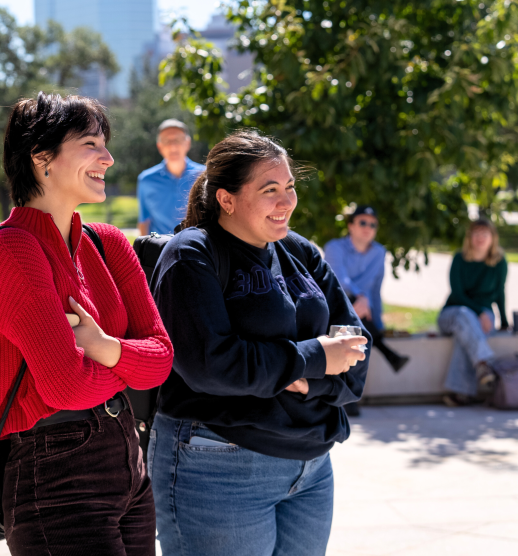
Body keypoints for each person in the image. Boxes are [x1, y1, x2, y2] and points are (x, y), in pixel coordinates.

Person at [149, 130, 371, 556]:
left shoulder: (299, 251)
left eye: (289, 187)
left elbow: (356, 348)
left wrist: (310, 378)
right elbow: (212, 364)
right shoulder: (192, 254)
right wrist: (313, 357)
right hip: (219, 466)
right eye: (270, 190)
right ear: (227, 199)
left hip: (311, 468)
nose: (286, 201)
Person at [0, 92, 174, 555]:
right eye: (90, 143)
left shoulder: (108, 243)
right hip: (56, 476)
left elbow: (163, 359)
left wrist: (103, 347)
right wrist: (128, 363)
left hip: (129, 462)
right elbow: (66, 386)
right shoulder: (13, 251)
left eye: (104, 143)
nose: (108, 157)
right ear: (42, 157)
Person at [324, 205, 410, 416]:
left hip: (361, 311)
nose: (367, 227)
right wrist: (360, 299)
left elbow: (375, 288)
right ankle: (386, 356)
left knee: (357, 324)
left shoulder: (379, 252)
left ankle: (347, 396)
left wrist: (377, 320)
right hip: (333, 303)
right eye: (362, 222)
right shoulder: (334, 247)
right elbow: (338, 281)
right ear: (350, 225)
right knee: (352, 313)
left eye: (372, 224)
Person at [438, 218, 508, 407]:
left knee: (466, 336)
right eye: (476, 234)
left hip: (483, 316)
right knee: (464, 315)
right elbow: (458, 294)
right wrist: (479, 312)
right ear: (470, 237)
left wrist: (504, 320)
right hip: (453, 314)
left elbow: (500, 292)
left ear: (493, 238)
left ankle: (460, 394)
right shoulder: (459, 259)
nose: (480, 238)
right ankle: (484, 362)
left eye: (485, 234)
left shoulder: (499, 262)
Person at [137, 119, 205, 235]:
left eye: (177, 140)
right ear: (159, 146)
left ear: (187, 143)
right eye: (166, 141)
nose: (172, 146)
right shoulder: (146, 180)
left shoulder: (204, 176)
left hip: (198, 248)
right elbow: (144, 222)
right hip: (160, 250)